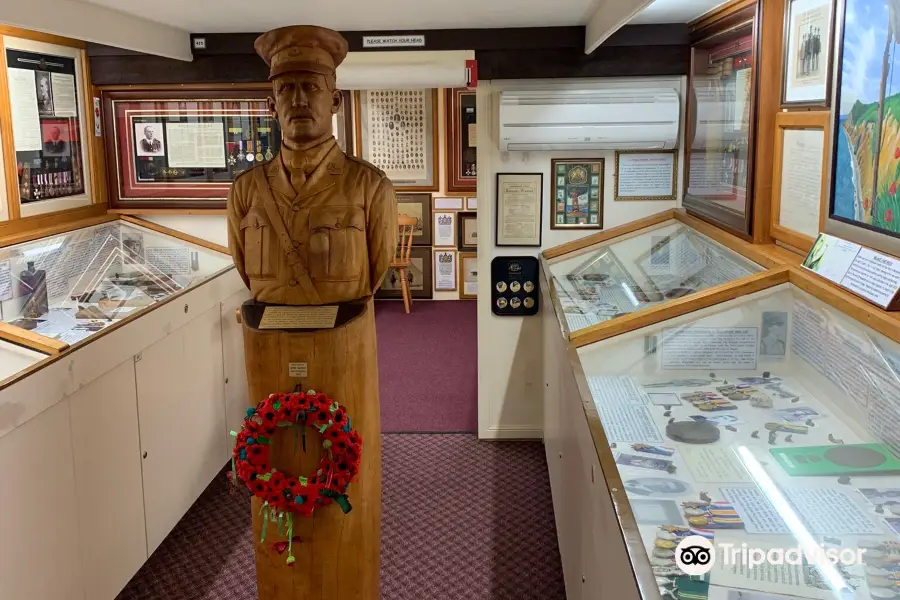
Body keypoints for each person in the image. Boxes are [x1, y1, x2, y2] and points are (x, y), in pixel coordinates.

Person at [226, 26, 397, 305]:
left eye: (311, 86)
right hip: (271, 341)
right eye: (285, 89)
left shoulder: (371, 186)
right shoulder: (245, 191)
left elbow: (376, 272)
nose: (298, 100)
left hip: (341, 339)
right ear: (272, 106)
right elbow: (245, 268)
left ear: (335, 100)